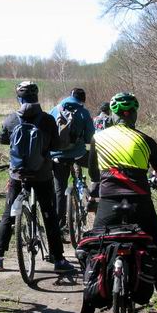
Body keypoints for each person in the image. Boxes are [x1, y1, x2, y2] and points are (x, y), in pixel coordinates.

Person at [71, 92, 157, 313]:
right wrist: (153, 178)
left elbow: (94, 174)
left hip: (109, 204)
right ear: (134, 114)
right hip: (140, 205)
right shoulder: (145, 140)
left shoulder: (98, 138)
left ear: (112, 115)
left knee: (95, 256)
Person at [0, 81, 76, 274]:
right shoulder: (47, 120)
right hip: (42, 175)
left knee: (7, 215)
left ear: (19, 98)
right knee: (49, 215)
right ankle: (59, 260)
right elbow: (56, 145)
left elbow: (3, 139)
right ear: (36, 98)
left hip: (18, 175)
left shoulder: (10, 119)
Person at [49, 88, 96, 237]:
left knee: (59, 191)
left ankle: (59, 226)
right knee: (96, 165)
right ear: (83, 99)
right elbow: (89, 138)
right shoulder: (84, 112)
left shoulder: (54, 110)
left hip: (57, 157)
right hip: (78, 155)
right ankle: (93, 195)